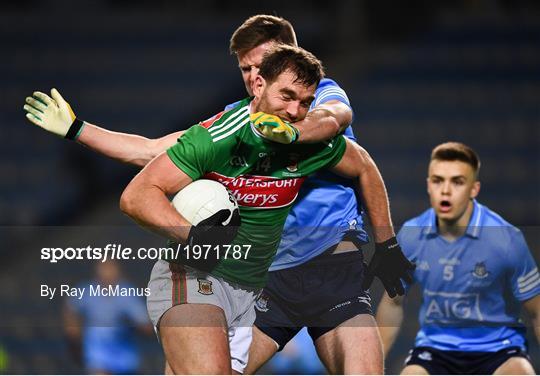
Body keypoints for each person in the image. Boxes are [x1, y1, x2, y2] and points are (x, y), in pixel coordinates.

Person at [23, 15, 413, 374]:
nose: (253, 76)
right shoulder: (231, 124)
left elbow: (338, 129)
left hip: (328, 264)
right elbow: (152, 153)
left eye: (262, 65)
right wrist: (78, 129)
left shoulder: (314, 95)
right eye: (246, 70)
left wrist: (387, 244)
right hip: (260, 275)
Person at [120, 45, 412, 374]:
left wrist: (387, 244)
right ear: (259, 86)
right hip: (199, 273)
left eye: (304, 102)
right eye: (286, 96)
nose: (294, 109)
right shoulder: (219, 137)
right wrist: (194, 236)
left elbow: (363, 163)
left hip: (261, 282)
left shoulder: (306, 142)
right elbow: (137, 195)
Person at [376, 142, 540, 375]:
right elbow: (392, 304)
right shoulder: (412, 236)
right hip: (435, 350)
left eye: (457, 182)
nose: (445, 190)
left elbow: (537, 309)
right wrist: (373, 369)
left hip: (499, 350)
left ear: (474, 189)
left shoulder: (506, 239)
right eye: (437, 180)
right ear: (428, 186)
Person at [63, 260, 152, 374]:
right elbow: (70, 310)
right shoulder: (86, 292)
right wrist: (73, 334)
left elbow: (145, 324)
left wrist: (134, 323)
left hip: (125, 358)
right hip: (98, 356)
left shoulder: (128, 294)